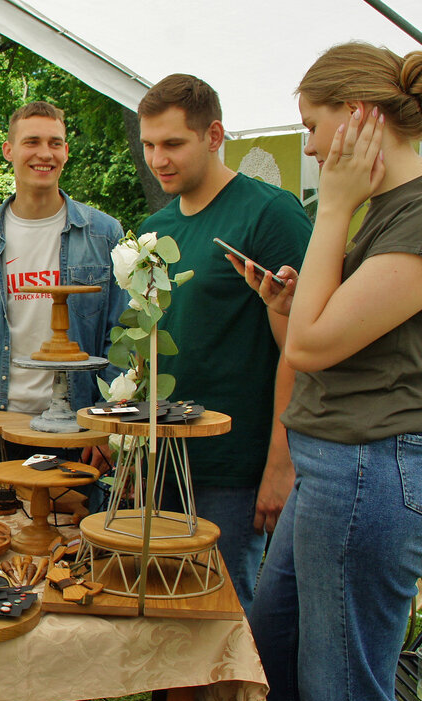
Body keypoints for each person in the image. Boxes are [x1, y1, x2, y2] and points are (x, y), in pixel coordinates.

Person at [243, 44, 422, 701]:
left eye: (313, 126)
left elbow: (316, 348)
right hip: (337, 468)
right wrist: (288, 308)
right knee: (276, 663)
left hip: (371, 472)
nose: (313, 146)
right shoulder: (389, 209)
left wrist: (332, 210)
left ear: (356, 117)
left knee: (345, 699)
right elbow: (317, 342)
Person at [137, 74, 311, 614]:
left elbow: (306, 349)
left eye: (172, 144)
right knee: (163, 601)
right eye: (148, 145)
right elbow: (152, 342)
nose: (158, 159)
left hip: (235, 463)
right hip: (162, 455)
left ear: (213, 135)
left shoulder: (268, 213)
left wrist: (281, 464)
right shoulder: (155, 227)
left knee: (223, 610)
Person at [0, 101, 126, 473]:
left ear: (66, 152)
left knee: (73, 530)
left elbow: (117, 338)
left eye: (55, 143)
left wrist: (111, 426)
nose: (45, 154)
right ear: (9, 150)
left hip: (78, 429)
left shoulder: (104, 234)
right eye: (32, 142)